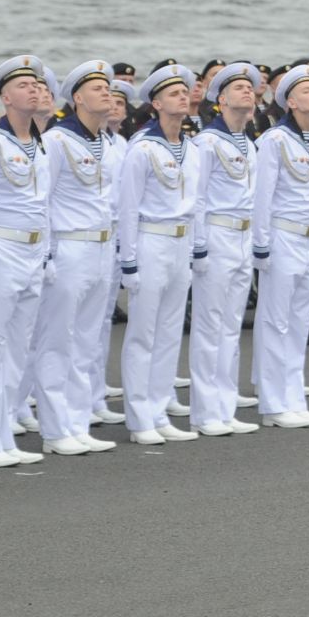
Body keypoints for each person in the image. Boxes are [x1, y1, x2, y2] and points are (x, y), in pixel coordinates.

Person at [31, 60, 124, 457]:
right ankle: (55, 428)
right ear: (78, 98)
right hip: (69, 246)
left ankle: (78, 421)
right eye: (97, 88)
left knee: (87, 341)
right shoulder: (56, 141)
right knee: (58, 340)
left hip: (102, 247)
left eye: (108, 87)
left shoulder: (107, 143)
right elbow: (43, 199)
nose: (107, 92)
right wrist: (47, 254)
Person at [0, 56, 53, 469]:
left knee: (18, 348)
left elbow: (44, 206)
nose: (35, 90)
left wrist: (46, 254)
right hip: (1, 248)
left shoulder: (39, 143)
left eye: (38, 85)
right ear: (5, 96)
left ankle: (1, 432)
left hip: (32, 252)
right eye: (24, 85)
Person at [117, 64, 203, 445]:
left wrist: (197, 246)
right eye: (173, 94)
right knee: (143, 333)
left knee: (169, 333)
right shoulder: (143, 147)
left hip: (180, 242)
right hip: (151, 240)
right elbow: (129, 207)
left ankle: (157, 409)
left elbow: (196, 202)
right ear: (155, 103)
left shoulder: (191, 147)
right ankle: (139, 418)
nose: (182, 97)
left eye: (184, 92)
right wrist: (129, 260)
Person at [250, 66, 309, 429]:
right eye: (306, 90)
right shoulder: (275, 140)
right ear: (290, 100)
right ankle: (272, 404)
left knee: (299, 321)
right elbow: (262, 196)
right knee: (276, 321)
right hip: (283, 235)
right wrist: (262, 244)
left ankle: (293, 396)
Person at [187, 62, 263, 435]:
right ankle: (205, 411)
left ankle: (225, 405)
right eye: (238, 87)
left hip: (242, 236)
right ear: (220, 99)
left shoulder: (248, 143)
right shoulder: (206, 142)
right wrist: (199, 246)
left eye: (250, 87)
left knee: (231, 327)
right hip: (217, 235)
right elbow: (197, 198)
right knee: (209, 324)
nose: (247, 92)